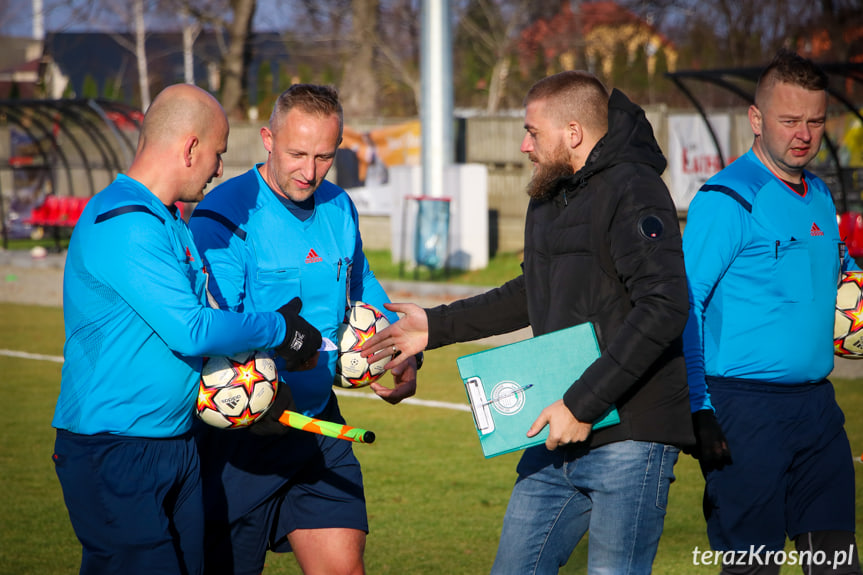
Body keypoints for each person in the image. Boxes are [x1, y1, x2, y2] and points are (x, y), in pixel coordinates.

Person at [362, 70, 694, 574]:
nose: (523, 144)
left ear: (574, 133)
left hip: (629, 438)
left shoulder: (635, 189)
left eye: (533, 132)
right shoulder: (549, 195)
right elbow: (530, 291)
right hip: (553, 430)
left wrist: (582, 403)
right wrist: (436, 325)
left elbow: (665, 306)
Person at [52, 83, 322, 575]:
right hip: (114, 449)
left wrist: (257, 386)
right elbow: (193, 330)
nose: (220, 169)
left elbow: (209, 327)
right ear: (191, 147)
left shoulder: (169, 220)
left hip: (175, 445)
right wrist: (278, 329)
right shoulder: (124, 222)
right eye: (218, 154)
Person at [188, 83, 420, 575]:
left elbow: (363, 287)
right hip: (239, 438)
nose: (309, 172)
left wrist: (402, 352)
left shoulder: (339, 207)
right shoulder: (223, 215)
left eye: (323, 156)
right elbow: (218, 326)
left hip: (318, 428)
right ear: (267, 139)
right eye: (297, 153)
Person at [682, 49, 861, 574]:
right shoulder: (726, 200)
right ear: (756, 119)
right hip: (744, 413)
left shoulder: (823, 195)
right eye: (789, 121)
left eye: (815, 120)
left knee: (837, 564)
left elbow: (840, 276)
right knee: (752, 568)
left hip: (818, 412)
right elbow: (683, 305)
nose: (804, 134)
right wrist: (699, 409)